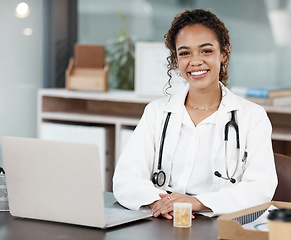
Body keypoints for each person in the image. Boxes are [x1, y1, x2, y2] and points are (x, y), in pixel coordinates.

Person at [113, 9, 277, 219]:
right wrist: (160, 203)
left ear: (224, 53)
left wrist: (198, 203)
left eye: (206, 51)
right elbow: (125, 178)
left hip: (218, 225)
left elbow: (260, 189)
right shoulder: (157, 113)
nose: (195, 61)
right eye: (185, 53)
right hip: (164, 221)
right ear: (176, 59)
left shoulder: (252, 117)